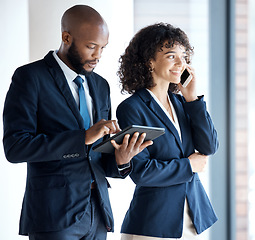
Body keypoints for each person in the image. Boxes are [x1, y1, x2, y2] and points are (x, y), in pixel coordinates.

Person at [2, 5, 152, 240]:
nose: (98, 56)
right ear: (66, 37)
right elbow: (15, 147)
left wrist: (122, 159)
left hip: (98, 212)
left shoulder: (101, 85)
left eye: (103, 48)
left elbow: (99, 158)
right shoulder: (30, 77)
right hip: (54, 216)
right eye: (91, 47)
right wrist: (82, 138)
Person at [116, 23, 219, 240]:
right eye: (172, 56)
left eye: (184, 56)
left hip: (191, 220)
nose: (181, 63)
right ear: (149, 61)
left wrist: (192, 99)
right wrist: (189, 165)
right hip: (152, 225)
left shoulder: (182, 103)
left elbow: (209, 146)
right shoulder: (132, 108)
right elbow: (141, 171)